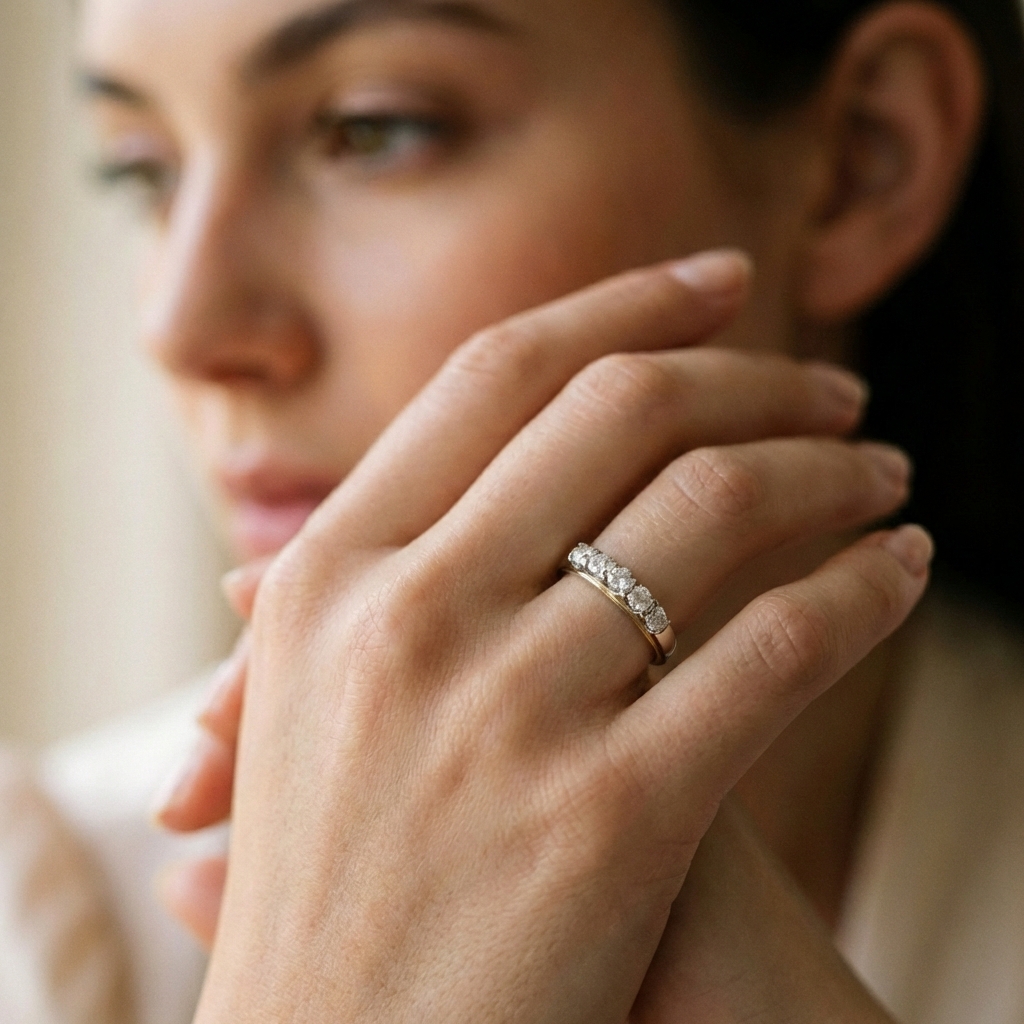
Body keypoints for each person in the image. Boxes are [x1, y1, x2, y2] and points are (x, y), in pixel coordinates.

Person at [4, 0, 1023, 1020]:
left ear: (860, 160)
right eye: (142, 168)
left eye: (374, 129)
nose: (183, 325)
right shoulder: (49, 923)